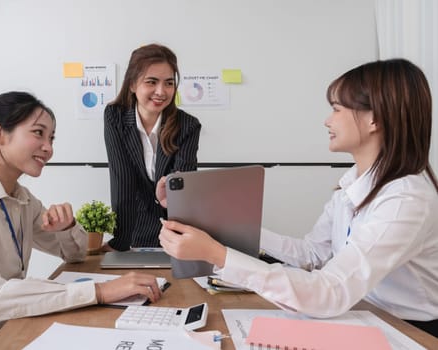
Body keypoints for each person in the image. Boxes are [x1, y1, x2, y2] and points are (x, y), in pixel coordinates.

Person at [158, 58, 438, 337]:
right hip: (364, 315)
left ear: (374, 118)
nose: (327, 120)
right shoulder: (355, 181)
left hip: (409, 332)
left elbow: (331, 291)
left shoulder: (406, 200)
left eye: (337, 109)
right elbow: (311, 254)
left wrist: (216, 253)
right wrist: (217, 222)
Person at [0, 91, 162, 350]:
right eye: (38, 133)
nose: (49, 147)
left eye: (51, 137)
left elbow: (75, 254)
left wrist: (67, 228)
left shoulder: (22, 199)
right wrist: (99, 292)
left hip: (6, 333)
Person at [103, 43, 201, 251]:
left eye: (168, 83)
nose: (161, 92)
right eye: (151, 82)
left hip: (175, 233)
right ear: (132, 84)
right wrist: (120, 242)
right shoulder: (114, 117)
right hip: (132, 232)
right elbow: (123, 181)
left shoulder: (188, 126)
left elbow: (184, 190)